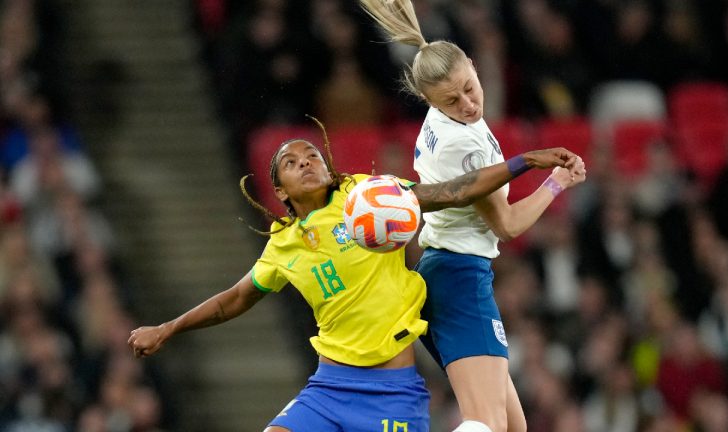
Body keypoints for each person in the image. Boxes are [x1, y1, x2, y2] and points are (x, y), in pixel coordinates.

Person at [127, 117, 583, 432]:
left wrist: (525, 161)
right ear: (281, 191)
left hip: (393, 392)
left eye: (312, 155)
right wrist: (169, 328)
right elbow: (234, 299)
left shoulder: (370, 195)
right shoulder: (283, 245)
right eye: (292, 161)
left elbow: (453, 191)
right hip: (329, 386)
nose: (307, 162)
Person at [359, 1, 587, 431]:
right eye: (453, 99)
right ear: (429, 101)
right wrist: (557, 183)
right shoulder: (464, 147)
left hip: (444, 275)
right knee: (487, 424)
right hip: (459, 281)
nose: (467, 103)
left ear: (475, 67)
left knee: (513, 428)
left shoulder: (444, 118)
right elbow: (507, 225)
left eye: (469, 87)